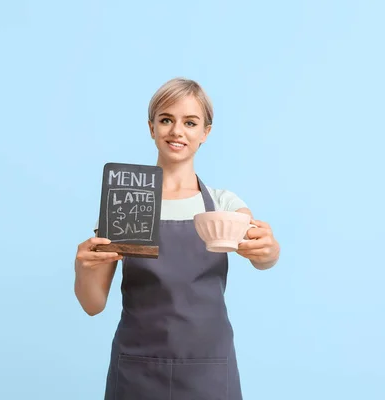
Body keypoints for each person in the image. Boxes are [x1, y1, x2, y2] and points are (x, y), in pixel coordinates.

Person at [74, 77, 281, 400]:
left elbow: (260, 254)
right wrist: (84, 268)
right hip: (137, 369)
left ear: (205, 133)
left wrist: (268, 250)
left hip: (208, 369)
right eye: (166, 119)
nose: (176, 131)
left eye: (190, 122)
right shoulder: (126, 201)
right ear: (151, 127)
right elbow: (92, 304)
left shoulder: (224, 203)